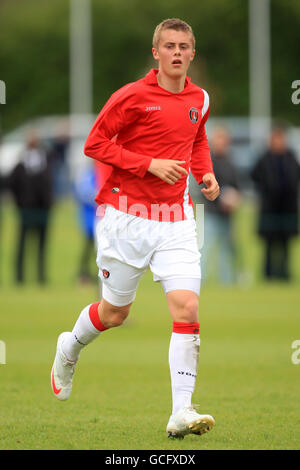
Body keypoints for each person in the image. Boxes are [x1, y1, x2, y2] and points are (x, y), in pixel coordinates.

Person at [51, 18, 220, 439]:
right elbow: (95, 143)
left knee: (187, 308)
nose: (177, 52)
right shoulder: (131, 97)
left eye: (184, 46)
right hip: (125, 220)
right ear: (156, 53)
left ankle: (182, 410)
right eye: (169, 46)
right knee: (115, 313)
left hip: (176, 219)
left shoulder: (200, 97)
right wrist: (148, 164)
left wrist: (206, 174)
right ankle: (69, 346)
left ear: (192, 53)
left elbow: (196, 138)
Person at [190, 127, 241, 284]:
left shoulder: (231, 162)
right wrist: (221, 199)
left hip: (226, 215)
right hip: (209, 213)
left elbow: (236, 186)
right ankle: (199, 279)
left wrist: (234, 199)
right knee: (204, 248)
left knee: (227, 249)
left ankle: (226, 281)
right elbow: (199, 188)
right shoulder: (206, 162)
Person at [251, 126, 300, 281]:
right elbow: (254, 176)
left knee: (285, 244)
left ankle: (284, 273)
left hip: (287, 208)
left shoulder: (290, 158)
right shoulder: (264, 158)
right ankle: (268, 274)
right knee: (269, 244)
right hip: (269, 208)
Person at [9, 130, 53, 284]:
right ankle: (19, 277)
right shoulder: (21, 164)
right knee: (22, 244)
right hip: (26, 209)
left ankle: (41, 276)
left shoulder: (45, 160)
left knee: (42, 245)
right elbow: (13, 185)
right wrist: (20, 203)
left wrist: (48, 202)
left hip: (42, 209)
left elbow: (49, 184)